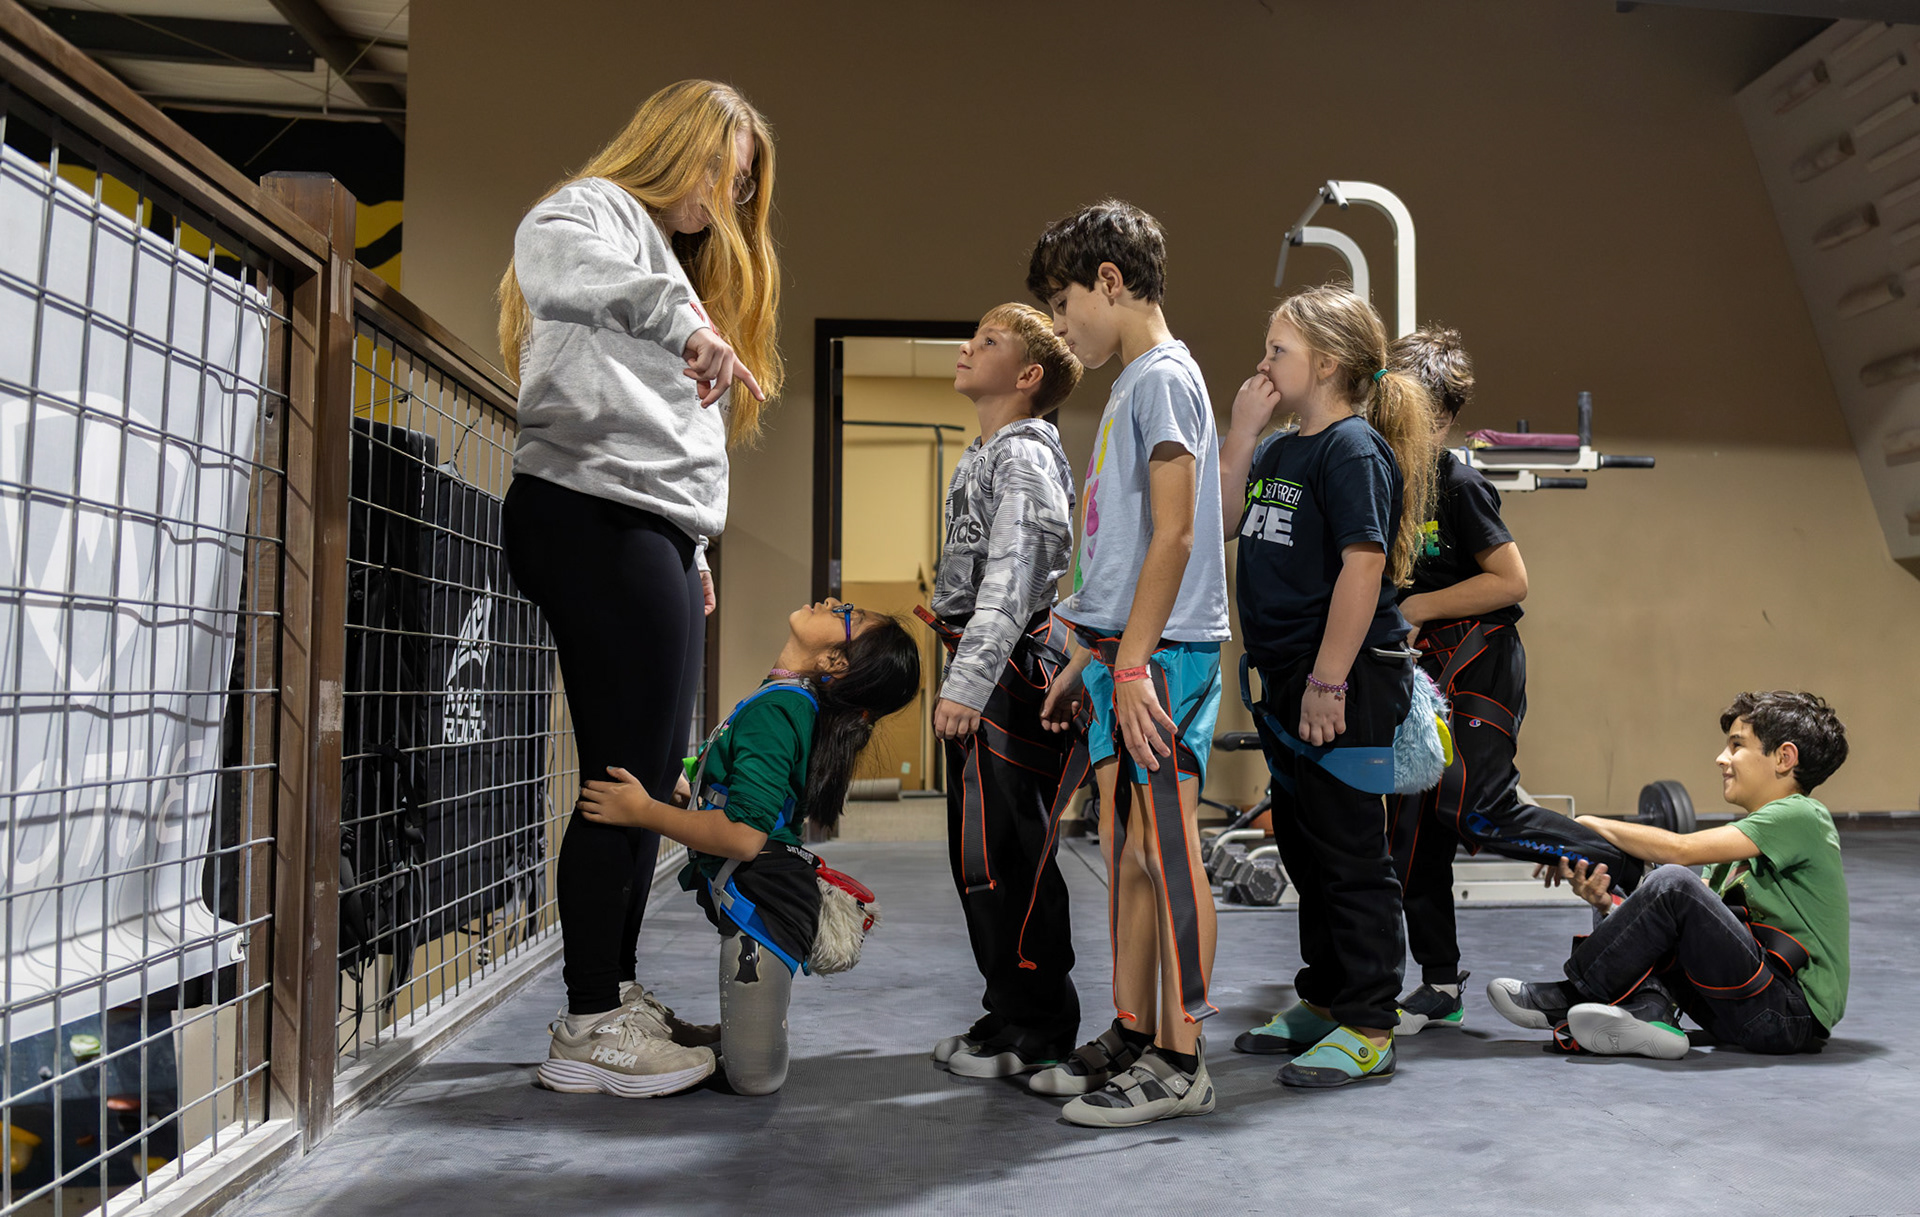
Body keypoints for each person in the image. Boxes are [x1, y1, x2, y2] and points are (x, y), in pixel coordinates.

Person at [496, 80, 783, 1091]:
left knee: (648, 781)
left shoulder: (670, 257)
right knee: (625, 781)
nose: (722, 199)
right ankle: (587, 1023)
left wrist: (695, 550)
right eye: (720, 171)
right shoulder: (592, 211)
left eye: (739, 187)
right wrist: (688, 324)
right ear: (676, 144)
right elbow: (551, 255)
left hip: (643, 523)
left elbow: (672, 432)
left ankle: (611, 991)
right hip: (591, 512)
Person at [1026, 201, 1234, 1128]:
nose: (1063, 326)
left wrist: (1140, 660)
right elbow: (1119, 538)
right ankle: (1135, 1029)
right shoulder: (1132, 384)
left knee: (1167, 851)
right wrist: (1088, 648)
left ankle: (1185, 1058)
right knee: (1128, 856)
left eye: (1065, 303)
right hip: (1122, 652)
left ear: (1109, 282)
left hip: (1165, 655)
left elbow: (1180, 529)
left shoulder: (1164, 379)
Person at [1382, 326, 1644, 1037]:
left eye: (1410, 413)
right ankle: (1438, 983)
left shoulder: (1458, 480)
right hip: (1425, 666)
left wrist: (1418, 606)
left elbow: (1511, 579)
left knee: (1475, 809)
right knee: (1410, 827)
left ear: (1441, 417)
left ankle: (1622, 860)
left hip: (1480, 659)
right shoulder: (1386, 474)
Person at [561, 600, 921, 1095]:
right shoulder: (783, 697)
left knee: (754, 1077)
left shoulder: (781, 708)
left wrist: (645, 813)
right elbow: (748, 792)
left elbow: (744, 836)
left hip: (764, 905)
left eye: (850, 615)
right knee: (746, 1055)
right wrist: (688, 789)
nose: (835, 603)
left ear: (835, 661)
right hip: (758, 891)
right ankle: (739, 1031)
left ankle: (749, 1037)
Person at [1221, 285, 1438, 1087]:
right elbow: (1220, 522)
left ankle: (1372, 1019)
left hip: (1340, 684)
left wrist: (1326, 680)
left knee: (1350, 853)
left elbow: (1365, 563)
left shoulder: (1351, 448)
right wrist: (1242, 430)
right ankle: (1326, 994)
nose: (1264, 361)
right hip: (1284, 682)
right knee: (1306, 849)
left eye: (1278, 349)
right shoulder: (1281, 449)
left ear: (1328, 363)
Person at [1488, 691, 1849, 1059]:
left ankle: (1572, 995)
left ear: (1784, 758)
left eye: (1737, 746)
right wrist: (1606, 904)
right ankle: (1651, 1015)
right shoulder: (1733, 850)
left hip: (1788, 1014)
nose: (1721, 759)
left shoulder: (1805, 815)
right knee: (1639, 880)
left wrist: (1584, 825)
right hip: (1735, 1010)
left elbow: (1681, 850)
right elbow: (1677, 931)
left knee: (1674, 883)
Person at [923, 304, 1085, 1079]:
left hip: (1009, 675)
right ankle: (1009, 1007)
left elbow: (1015, 579)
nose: (966, 347)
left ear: (1027, 377)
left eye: (986, 342)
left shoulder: (1024, 455)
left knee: (1011, 854)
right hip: (982, 668)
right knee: (976, 854)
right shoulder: (983, 453)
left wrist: (970, 681)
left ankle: (1044, 1023)